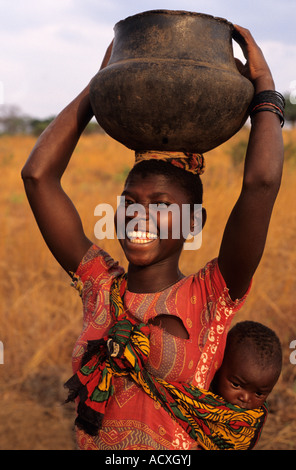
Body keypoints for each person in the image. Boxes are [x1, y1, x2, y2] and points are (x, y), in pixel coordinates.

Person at [21, 24, 284, 450]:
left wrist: (265, 89)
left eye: (161, 204)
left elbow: (261, 185)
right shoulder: (99, 286)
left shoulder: (213, 294)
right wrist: (98, 87)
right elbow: (37, 177)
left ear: (193, 223)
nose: (138, 216)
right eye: (130, 202)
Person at [211, 320, 282, 410]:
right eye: (236, 385)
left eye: (259, 394)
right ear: (219, 365)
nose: (245, 398)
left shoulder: (255, 417)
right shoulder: (198, 397)